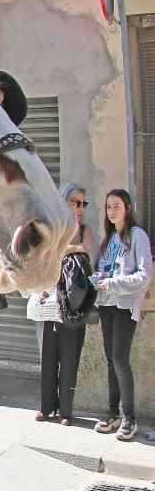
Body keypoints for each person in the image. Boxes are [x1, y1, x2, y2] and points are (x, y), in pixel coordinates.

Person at [26, 183, 95, 425]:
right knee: (47, 355)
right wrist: (66, 250)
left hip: (73, 301)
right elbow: (40, 254)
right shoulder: (50, 227)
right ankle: (46, 407)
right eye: (75, 202)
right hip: (47, 301)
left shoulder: (84, 229)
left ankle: (66, 410)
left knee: (69, 356)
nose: (80, 208)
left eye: (84, 203)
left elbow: (85, 250)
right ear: (63, 202)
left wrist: (61, 250)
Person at [92, 189, 152, 441]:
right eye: (108, 207)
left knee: (119, 359)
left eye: (116, 206)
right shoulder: (109, 238)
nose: (112, 211)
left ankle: (130, 418)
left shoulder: (137, 235)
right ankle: (112, 413)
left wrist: (114, 284)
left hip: (125, 305)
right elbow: (104, 270)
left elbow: (144, 274)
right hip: (106, 304)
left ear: (127, 207)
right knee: (110, 359)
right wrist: (97, 280)